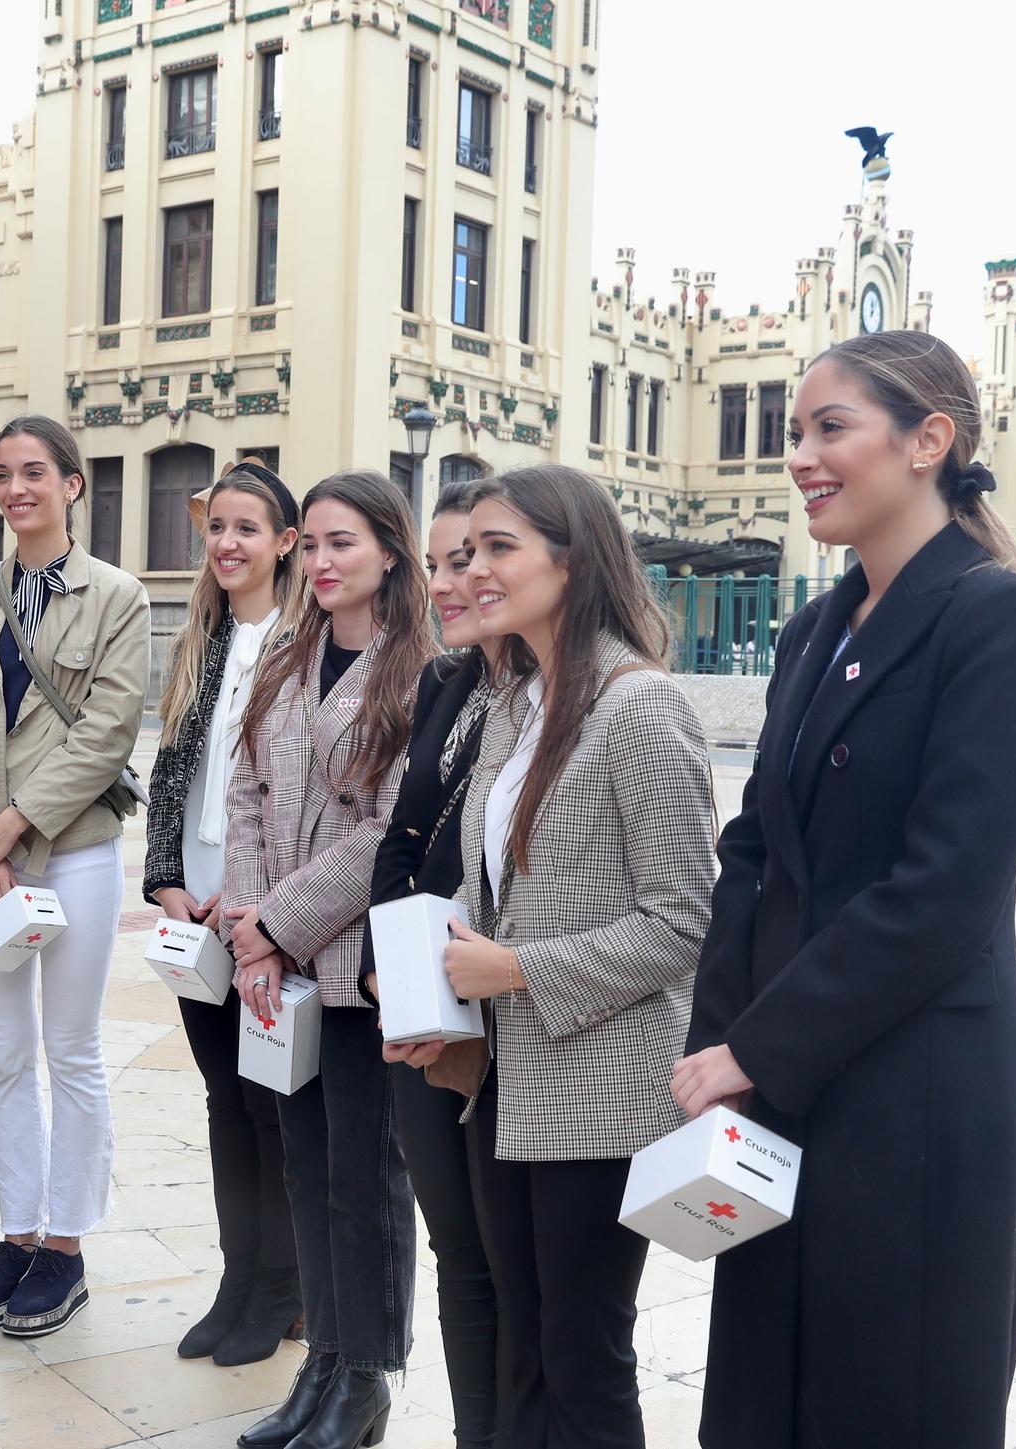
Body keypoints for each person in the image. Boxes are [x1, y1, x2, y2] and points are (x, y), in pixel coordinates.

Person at [676, 331, 1016, 1448]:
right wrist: (722, 1047)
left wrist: (760, 1047)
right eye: (793, 432)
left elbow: (943, 892)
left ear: (926, 442)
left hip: (920, 1099)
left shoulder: (1000, 619)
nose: (798, 456)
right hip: (788, 1086)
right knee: (765, 1404)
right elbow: (751, 854)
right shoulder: (810, 628)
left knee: (885, 1404)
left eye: (828, 428)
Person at [403, 467, 715, 1449]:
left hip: (603, 1086)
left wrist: (517, 971)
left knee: (581, 1353)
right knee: (527, 1345)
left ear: (570, 561)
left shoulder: (639, 707)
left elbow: (679, 921)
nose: (473, 570)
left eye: (498, 549)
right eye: (466, 552)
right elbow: (490, 888)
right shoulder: (515, 703)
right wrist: (431, 986)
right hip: (504, 1076)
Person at [0, 414, 149, 1338]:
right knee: (5, 1055)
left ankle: (66, 1245)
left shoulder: (118, 597)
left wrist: (16, 824)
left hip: (76, 853)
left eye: (33, 473)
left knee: (71, 1049)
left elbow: (106, 731)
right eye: (2, 475)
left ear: (72, 485)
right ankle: (18, 1236)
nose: (15, 489)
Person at [224, 469, 431, 1449]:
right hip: (280, 964)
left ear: (390, 549)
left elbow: (394, 828)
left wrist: (278, 921)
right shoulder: (287, 654)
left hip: (360, 967)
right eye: (309, 544)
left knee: (365, 1176)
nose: (320, 561)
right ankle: (323, 1361)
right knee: (303, 1169)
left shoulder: (421, 668)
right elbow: (245, 789)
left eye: (341, 542)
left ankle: (369, 1378)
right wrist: (249, 923)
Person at [144, 460, 304, 1366]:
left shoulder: (304, 642)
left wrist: (261, 907)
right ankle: (239, 1275)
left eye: (249, 528)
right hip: (191, 910)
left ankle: (283, 1288)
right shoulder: (201, 636)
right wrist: (168, 879)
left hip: (267, 917)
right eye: (218, 528)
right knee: (222, 1102)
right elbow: (172, 770)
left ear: (285, 542)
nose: (228, 544)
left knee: (269, 1103)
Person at [359, 478, 505, 1449]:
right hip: (423, 1007)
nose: (449, 581)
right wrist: (386, 968)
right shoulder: (444, 683)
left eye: (468, 559)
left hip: (508, 1005)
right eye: (438, 564)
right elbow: (400, 836)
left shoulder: (552, 698)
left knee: (508, 1261)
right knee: (454, 1250)